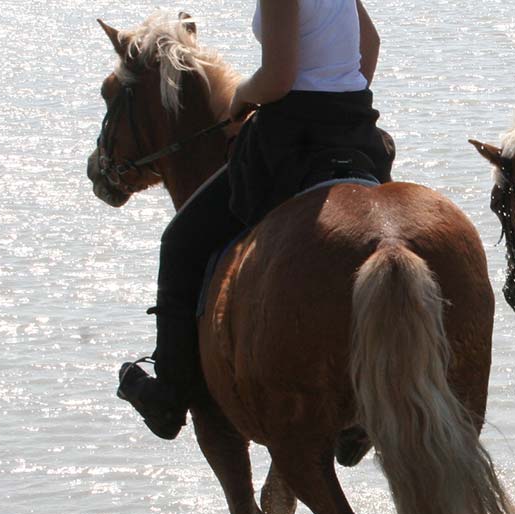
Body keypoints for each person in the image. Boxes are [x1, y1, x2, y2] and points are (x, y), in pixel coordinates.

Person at [118, 0, 393, 439]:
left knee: (181, 243)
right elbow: (370, 46)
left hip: (292, 143)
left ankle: (169, 394)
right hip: (356, 130)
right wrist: (340, 99)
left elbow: (277, 80)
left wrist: (241, 99)